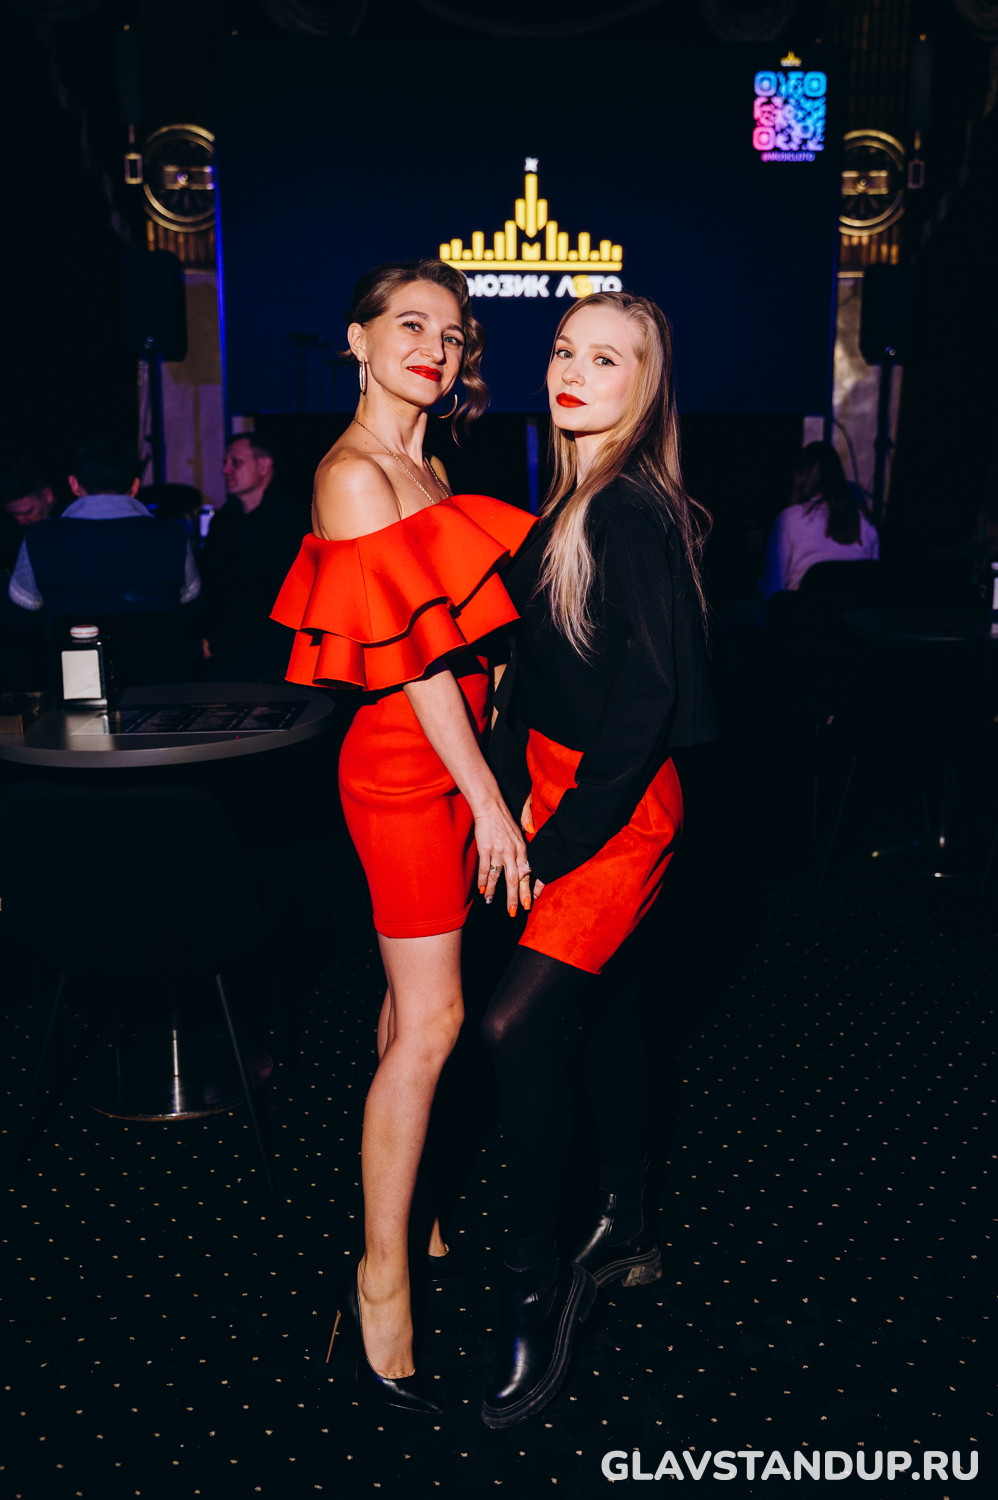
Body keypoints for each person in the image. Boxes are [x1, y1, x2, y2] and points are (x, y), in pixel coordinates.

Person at [271, 258, 535, 1414]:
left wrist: (500, 759)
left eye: (453, 332)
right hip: (403, 771)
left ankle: (414, 1219)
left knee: (405, 1003)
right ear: (358, 340)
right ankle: (380, 1285)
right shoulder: (352, 474)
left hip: (453, 761)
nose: (434, 346)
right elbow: (419, 665)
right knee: (434, 1020)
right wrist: (486, 799)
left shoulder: (425, 462)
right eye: (410, 325)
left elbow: (470, 642)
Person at [480, 291, 717, 1429]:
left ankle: (537, 1285)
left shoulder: (626, 507)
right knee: (610, 1009)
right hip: (561, 787)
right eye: (566, 350)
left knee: (514, 1028)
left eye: (607, 359)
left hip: (613, 808)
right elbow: (546, 676)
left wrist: (553, 837)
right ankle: (627, 1224)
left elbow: (651, 699)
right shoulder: (574, 498)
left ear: (646, 385)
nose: (573, 371)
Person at [6, 437, 202, 684]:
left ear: (74, 484)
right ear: (135, 486)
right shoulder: (172, 535)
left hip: (76, 685)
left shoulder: (40, 537)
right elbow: (194, 608)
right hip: (163, 684)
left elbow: (21, 616)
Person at [201, 434, 306, 680]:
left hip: (278, 648)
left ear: (263, 466)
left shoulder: (291, 518)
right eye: (225, 462)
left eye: (236, 462)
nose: (225, 470)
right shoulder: (223, 520)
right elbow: (211, 584)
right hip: (229, 647)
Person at [759, 441, 878, 601]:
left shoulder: (788, 519)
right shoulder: (864, 520)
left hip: (802, 613)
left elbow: (773, 590)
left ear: (800, 475)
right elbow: (874, 582)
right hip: (853, 613)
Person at [0, 460, 59, 572]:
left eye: (27, 512)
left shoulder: (75, 518)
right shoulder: (11, 532)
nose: (21, 521)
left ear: (48, 496)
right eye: (14, 515)